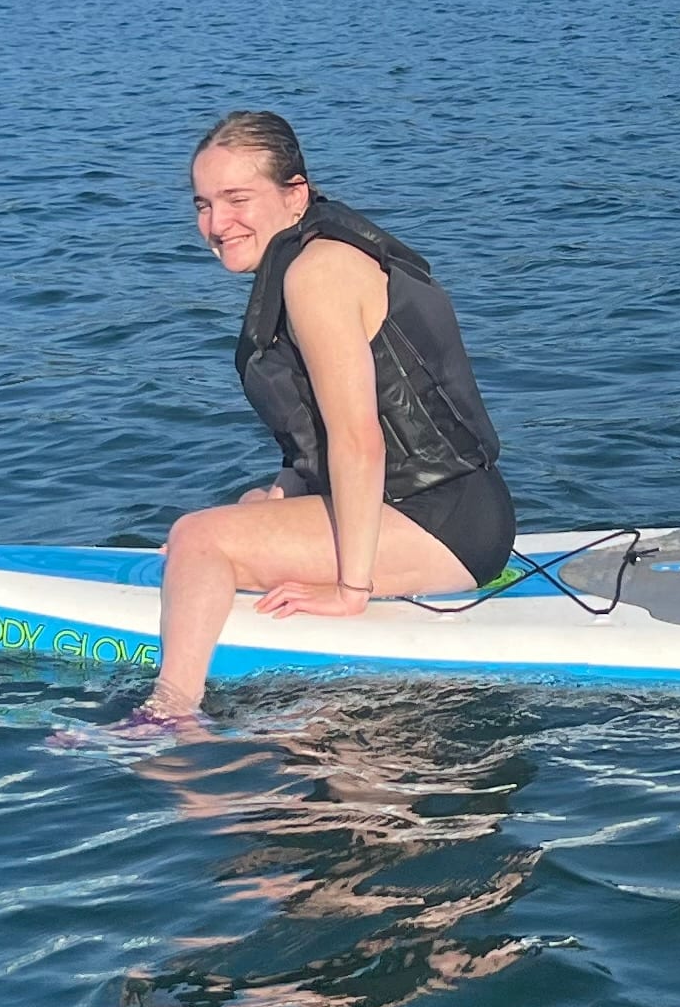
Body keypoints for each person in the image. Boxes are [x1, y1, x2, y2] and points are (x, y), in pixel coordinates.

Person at [139, 111, 519, 721]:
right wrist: (278, 498)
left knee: (198, 536)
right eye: (203, 204)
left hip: (441, 522)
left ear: (295, 194)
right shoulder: (308, 254)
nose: (216, 223)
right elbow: (322, 431)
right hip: (434, 509)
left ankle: (169, 713)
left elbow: (360, 441)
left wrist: (349, 592)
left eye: (237, 199)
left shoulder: (317, 274)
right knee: (246, 510)